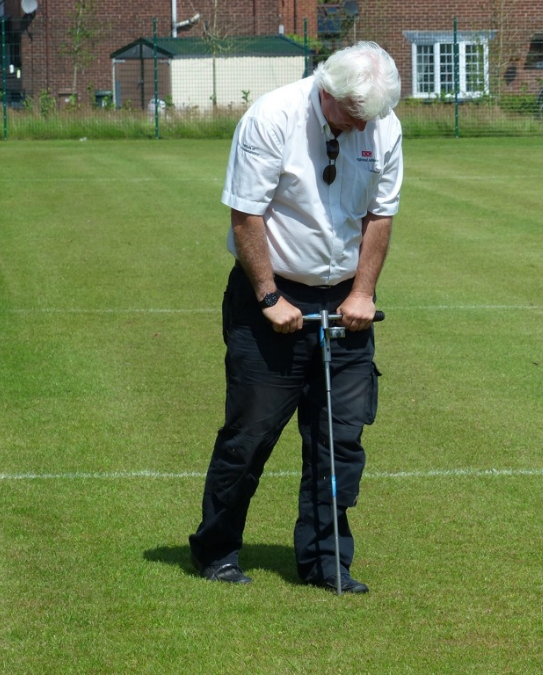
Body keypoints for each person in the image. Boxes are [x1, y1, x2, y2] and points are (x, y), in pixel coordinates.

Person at [188, 41, 403, 594]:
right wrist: (267, 297)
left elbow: (380, 215)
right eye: (353, 115)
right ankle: (216, 550)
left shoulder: (381, 124)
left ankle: (326, 561)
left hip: (345, 303)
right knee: (250, 435)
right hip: (273, 296)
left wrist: (363, 292)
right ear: (326, 93)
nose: (362, 126)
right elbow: (246, 214)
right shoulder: (271, 117)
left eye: (370, 117)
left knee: (340, 440)